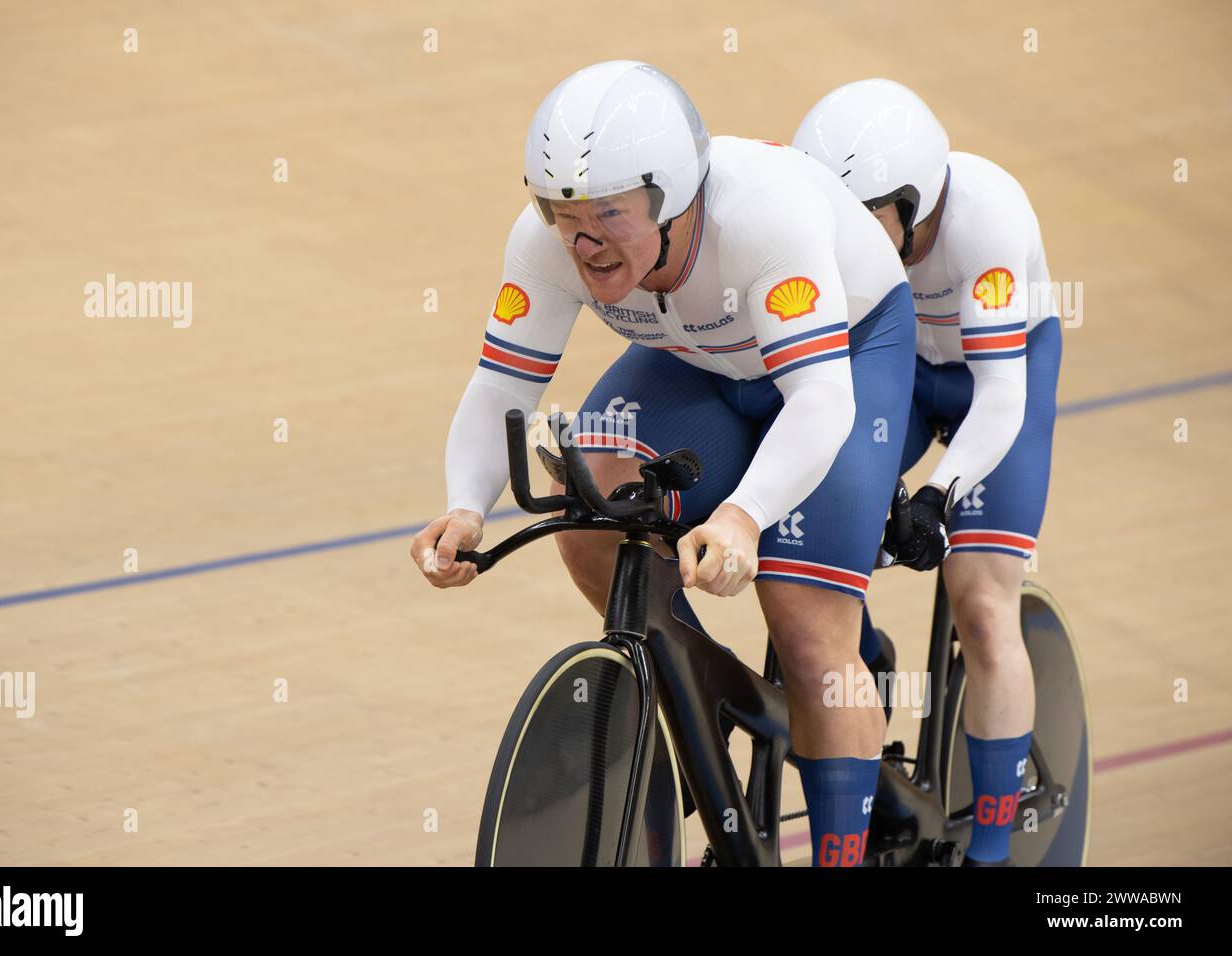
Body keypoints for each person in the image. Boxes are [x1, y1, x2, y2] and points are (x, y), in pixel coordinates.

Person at [411, 61, 916, 866]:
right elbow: (501, 380)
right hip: (704, 362)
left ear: (674, 198)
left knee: (809, 629)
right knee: (585, 508)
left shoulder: (764, 217)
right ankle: (704, 689)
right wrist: (466, 503)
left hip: (844, 357)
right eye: (561, 212)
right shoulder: (544, 245)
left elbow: (820, 401)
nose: (583, 240)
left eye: (609, 213)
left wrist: (745, 518)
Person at [793, 78, 1062, 865]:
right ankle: (863, 654)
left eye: (865, 217)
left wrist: (941, 494)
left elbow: (1003, 392)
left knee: (979, 601)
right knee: (828, 527)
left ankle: (989, 852)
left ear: (915, 201)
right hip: (902, 371)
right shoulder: (855, 220)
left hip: (998, 372)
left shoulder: (988, 216)